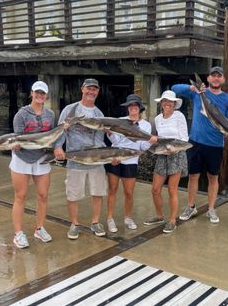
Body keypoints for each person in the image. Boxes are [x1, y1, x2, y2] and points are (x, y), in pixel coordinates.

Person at [172, 66, 228, 223]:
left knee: (213, 177)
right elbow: (175, 89)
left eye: (218, 76)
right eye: (213, 76)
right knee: (193, 176)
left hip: (215, 145)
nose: (215, 78)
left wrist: (226, 131)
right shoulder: (198, 93)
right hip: (195, 142)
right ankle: (191, 206)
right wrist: (193, 87)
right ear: (208, 78)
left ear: (223, 80)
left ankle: (211, 209)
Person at [54, 78, 108, 240]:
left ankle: (95, 222)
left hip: (95, 159)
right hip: (75, 158)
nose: (91, 92)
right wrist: (58, 147)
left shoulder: (99, 114)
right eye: (89, 88)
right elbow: (61, 130)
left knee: (98, 192)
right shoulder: (70, 110)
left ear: (98, 92)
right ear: (82, 89)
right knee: (73, 193)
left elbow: (100, 138)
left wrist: (105, 155)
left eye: (94, 89)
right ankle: (74, 224)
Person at [10, 81, 54, 249]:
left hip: (41, 158)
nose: (40, 95)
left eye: (43, 93)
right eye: (37, 92)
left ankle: (39, 228)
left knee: (43, 195)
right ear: (31, 93)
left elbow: (52, 136)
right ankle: (18, 233)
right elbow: (17, 137)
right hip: (22, 158)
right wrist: (15, 144)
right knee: (20, 196)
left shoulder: (50, 114)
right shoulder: (21, 114)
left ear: (46, 95)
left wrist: (56, 146)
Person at [105, 94, 153, 233]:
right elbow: (116, 141)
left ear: (139, 108)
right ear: (128, 108)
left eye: (135, 105)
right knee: (112, 190)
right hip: (116, 157)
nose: (133, 108)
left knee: (129, 192)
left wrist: (149, 143)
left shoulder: (146, 125)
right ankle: (110, 219)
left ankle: (128, 218)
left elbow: (143, 147)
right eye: (130, 105)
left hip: (131, 160)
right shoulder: (120, 121)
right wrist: (109, 133)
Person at [143, 90, 188, 233]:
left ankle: (172, 220)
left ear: (174, 104)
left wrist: (174, 149)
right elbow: (159, 138)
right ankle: (159, 215)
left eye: (170, 101)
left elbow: (184, 138)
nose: (167, 103)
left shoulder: (179, 116)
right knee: (155, 189)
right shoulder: (157, 119)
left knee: (171, 189)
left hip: (177, 154)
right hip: (162, 154)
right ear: (161, 103)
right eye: (165, 101)